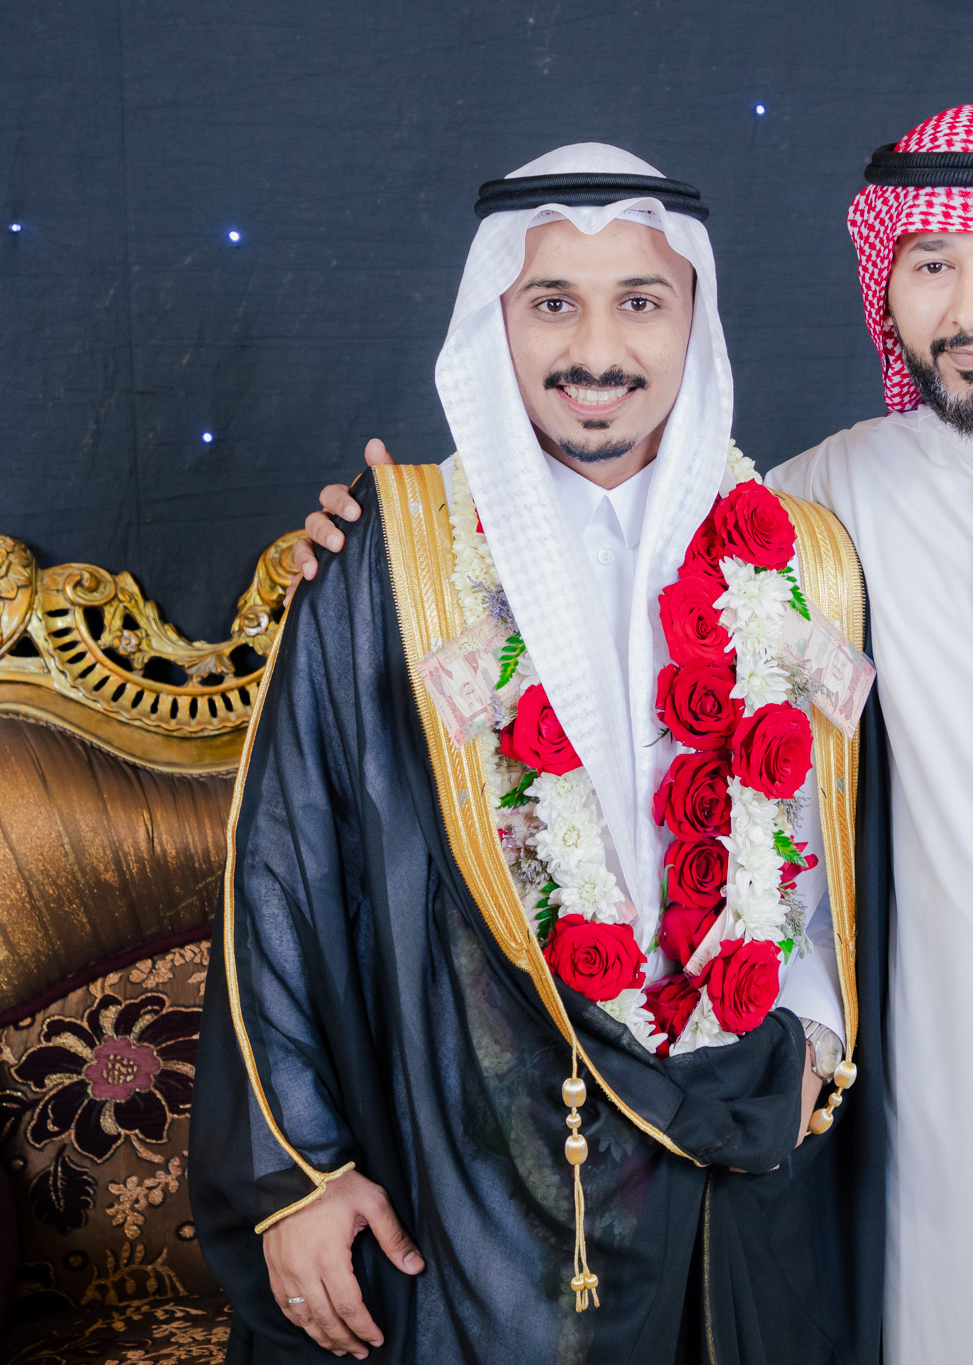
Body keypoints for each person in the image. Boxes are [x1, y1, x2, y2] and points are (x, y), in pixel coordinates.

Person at [304, 106, 973, 1364]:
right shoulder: (816, 504)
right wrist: (375, 544)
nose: (968, 309)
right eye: (930, 265)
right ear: (886, 281)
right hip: (942, 1156)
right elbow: (599, 575)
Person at [194, 142, 890, 1365]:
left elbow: (838, 858)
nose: (596, 352)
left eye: (640, 302)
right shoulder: (390, 561)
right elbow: (286, 869)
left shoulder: (801, 560)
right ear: (494, 324)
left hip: (738, 1158)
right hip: (475, 1170)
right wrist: (296, 1175)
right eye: (552, 304)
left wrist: (812, 1048)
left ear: (692, 322)